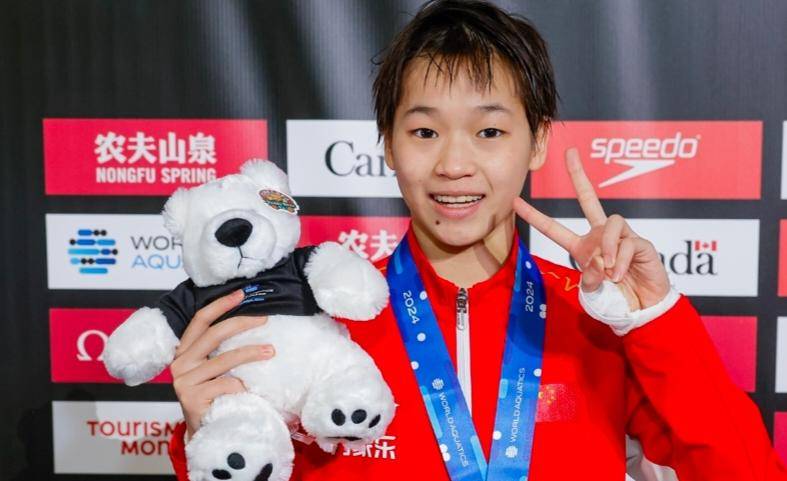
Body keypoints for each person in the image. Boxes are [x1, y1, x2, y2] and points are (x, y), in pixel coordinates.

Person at [166, 1, 787, 480]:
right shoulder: (315, 321)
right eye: (424, 132)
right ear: (387, 144)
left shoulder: (597, 317)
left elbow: (745, 470)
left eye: (489, 132)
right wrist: (203, 431)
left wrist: (656, 320)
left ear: (537, 141)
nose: (454, 165)